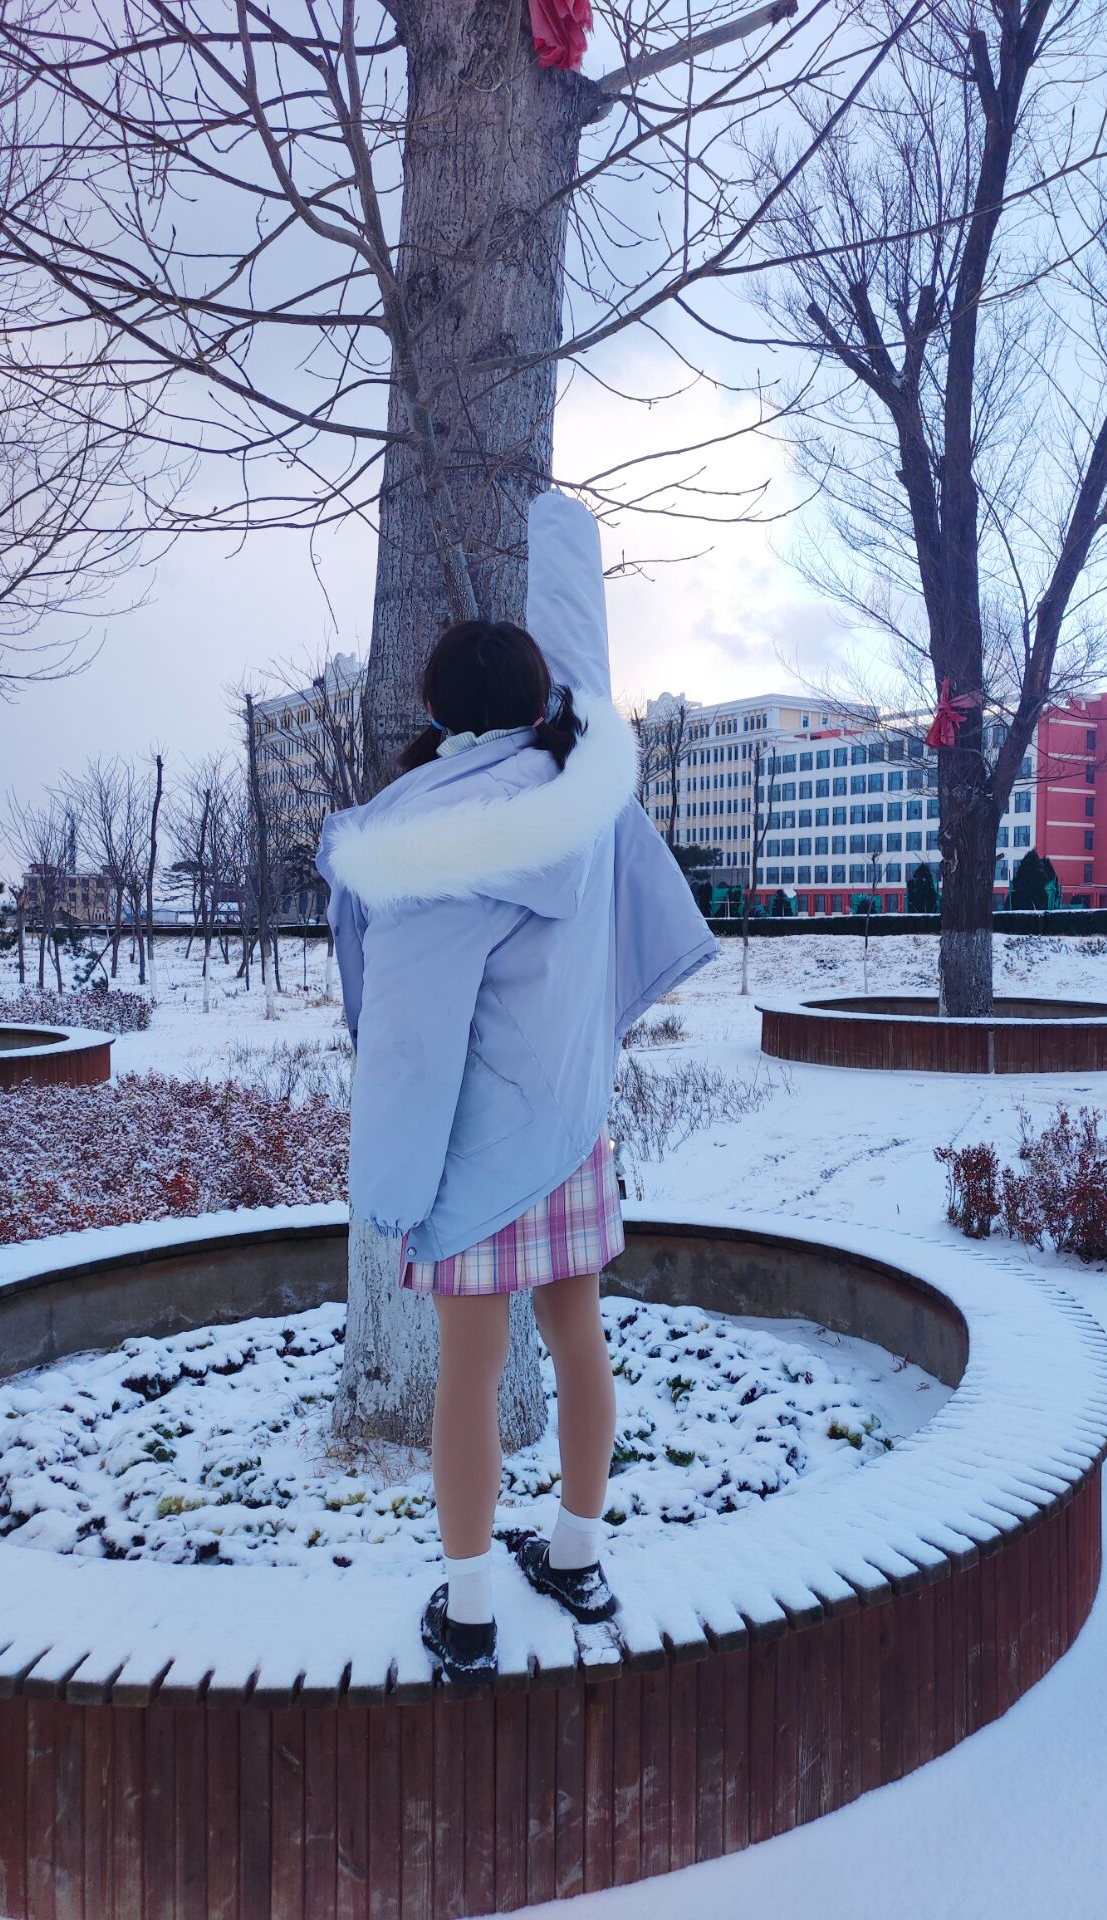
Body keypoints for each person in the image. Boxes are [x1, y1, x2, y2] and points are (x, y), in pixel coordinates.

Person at [316, 494, 716, 1684]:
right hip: (571, 1130)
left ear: (434, 706)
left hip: (475, 1157)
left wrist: (388, 1192)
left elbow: (406, 1048)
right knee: (579, 1343)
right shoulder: (579, 793)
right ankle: (577, 1560)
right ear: (537, 700)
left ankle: (472, 1612)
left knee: (471, 1377)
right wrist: (562, 539)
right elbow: (586, 672)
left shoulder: (429, 842)